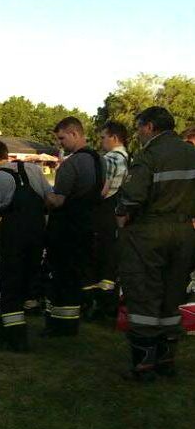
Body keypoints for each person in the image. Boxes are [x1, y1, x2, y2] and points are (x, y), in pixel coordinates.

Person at [115, 106, 195, 380]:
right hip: (185, 232)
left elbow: (133, 197)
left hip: (150, 232)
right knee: (173, 294)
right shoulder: (191, 153)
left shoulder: (149, 155)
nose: (137, 133)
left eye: (139, 127)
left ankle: (144, 365)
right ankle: (167, 360)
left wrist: (121, 214)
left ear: (149, 126)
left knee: (144, 292)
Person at [0, 141, 53, 351]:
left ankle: (16, 339)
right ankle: (6, 332)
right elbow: (51, 200)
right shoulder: (34, 169)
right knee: (27, 282)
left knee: (9, 284)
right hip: (37, 235)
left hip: (13, 236)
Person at [44, 117, 105, 337]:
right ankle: (71, 324)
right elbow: (103, 192)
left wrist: (45, 195)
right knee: (77, 275)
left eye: (62, 138)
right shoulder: (100, 160)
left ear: (74, 134)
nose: (60, 143)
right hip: (89, 226)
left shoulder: (71, 164)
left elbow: (58, 200)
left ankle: (57, 326)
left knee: (61, 276)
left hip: (67, 229)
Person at [84, 120, 132, 320]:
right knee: (111, 266)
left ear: (114, 137)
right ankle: (109, 308)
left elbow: (103, 190)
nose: (101, 141)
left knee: (95, 261)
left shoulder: (111, 158)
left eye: (103, 137)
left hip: (102, 215)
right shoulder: (129, 158)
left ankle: (91, 307)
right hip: (117, 216)